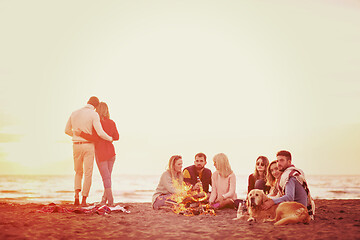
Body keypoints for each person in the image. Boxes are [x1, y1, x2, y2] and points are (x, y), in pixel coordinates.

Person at [65, 96, 113, 206]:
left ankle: (76, 196)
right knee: (88, 173)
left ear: (88, 102)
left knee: (78, 172)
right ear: (95, 106)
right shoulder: (94, 114)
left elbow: (66, 130)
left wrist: (76, 135)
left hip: (76, 145)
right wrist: (110, 138)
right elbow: (100, 133)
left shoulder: (74, 113)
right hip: (88, 146)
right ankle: (84, 201)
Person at [76, 102, 119, 207]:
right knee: (108, 177)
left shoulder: (97, 123)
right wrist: (110, 137)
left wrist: (81, 133)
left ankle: (111, 200)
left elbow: (94, 138)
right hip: (111, 152)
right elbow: (117, 137)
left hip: (101, 152)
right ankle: (104, 199)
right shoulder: (112, 122)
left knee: (106, 178)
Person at [262, 150, 316, 219]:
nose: (278, 163)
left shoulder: (290, 177)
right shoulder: (289, 174)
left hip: (298, 212)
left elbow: (289, 198)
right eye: (277, 161)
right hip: (297, 210)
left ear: (289, 162)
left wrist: (272, 202)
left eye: (282, 160)